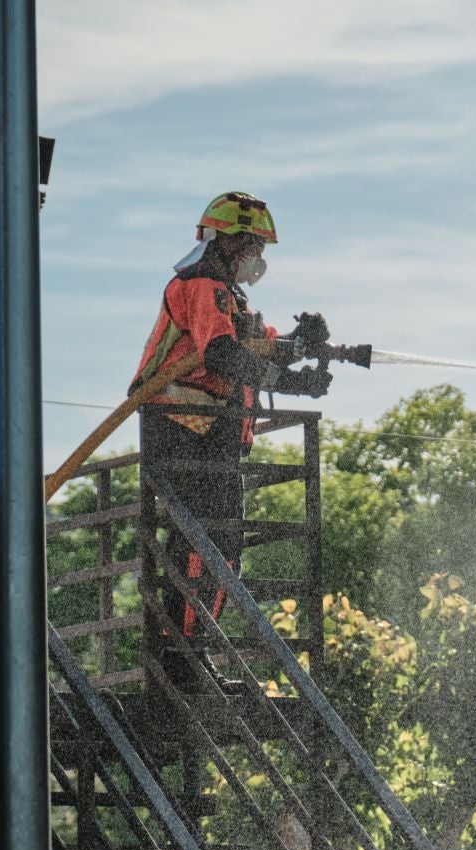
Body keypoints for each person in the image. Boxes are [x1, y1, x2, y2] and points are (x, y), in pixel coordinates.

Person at [129, 192, 330, 693]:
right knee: (200, 543)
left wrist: (302, 345)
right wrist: (292, 383)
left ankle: (196, 655)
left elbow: (253, 344)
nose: (257, 257)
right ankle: (183, 660)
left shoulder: (228, 295)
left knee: (223, 548)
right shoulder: (198, 284)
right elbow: (221, 354)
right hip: (180, 426)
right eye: (253, 245)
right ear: (229, 243)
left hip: (212, 433)